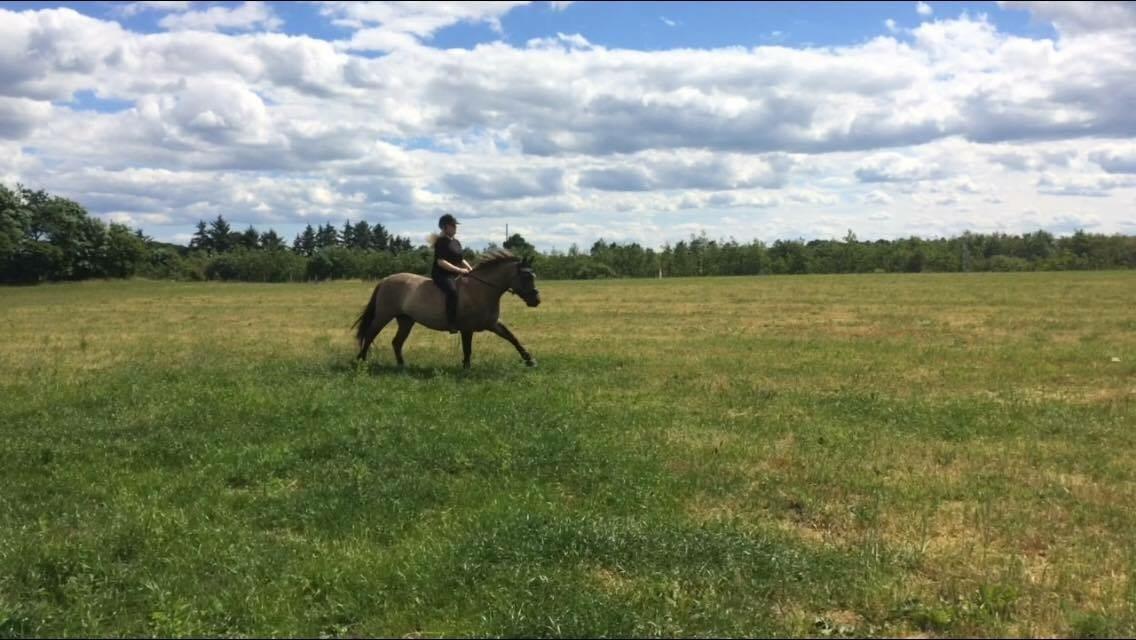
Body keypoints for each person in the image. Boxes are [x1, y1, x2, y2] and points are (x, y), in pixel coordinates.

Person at [430, 214, 473, 332]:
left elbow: (461, 259)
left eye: (455, 225)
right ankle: (451, 322)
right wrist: (459, 270)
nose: (455, 228)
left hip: (455, 274)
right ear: (445, 227)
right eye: (453, 225)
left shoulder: (456, 242)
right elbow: (441, 262)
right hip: (442, 274)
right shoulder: (441, 242)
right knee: (452, 291)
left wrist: (470, 269)